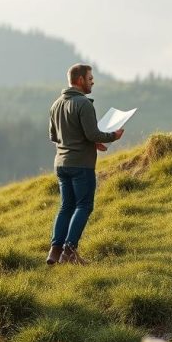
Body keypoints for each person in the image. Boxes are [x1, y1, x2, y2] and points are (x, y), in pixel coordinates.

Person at [47, 64, 123, 265]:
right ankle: (70, 251)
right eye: (90, 78)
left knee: (66, 207)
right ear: (80, 79)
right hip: (82, 165)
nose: (93, 81)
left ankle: (55, 252)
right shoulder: (84, 104)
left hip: (61, 164)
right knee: (84, 206)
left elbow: (54, 136)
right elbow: (92, 133)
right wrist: (112, 136)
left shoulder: (56, 105)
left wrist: (91, 141)